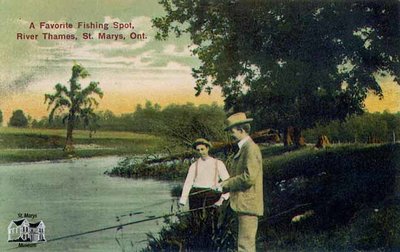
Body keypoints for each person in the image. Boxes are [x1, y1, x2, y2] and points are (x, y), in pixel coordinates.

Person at [215, 112, 264, 252]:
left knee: (245, 246)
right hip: (241, 205)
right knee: (242, 245)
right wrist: (223, 186)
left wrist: (226, 184)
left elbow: (248, 178)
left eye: (232, 131)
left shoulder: (251, 148)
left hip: (248, 205)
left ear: (242, 130)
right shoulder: (244, 148)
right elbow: (240, 177)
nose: (230, 135)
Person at [179, 138, 230, 209]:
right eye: (198, 150)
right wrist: (183, 200)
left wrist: (222, 199)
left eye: (202, 149)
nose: (200, 152)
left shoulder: (218, 163)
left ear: (207, 148)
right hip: (196, 197)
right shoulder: (194, 166)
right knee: (196, 219)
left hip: (212, 196)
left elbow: (227, 182)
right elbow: (188, 183)